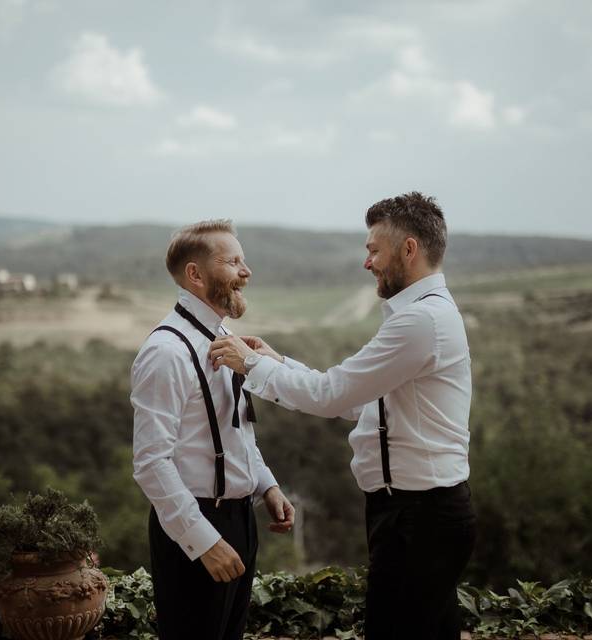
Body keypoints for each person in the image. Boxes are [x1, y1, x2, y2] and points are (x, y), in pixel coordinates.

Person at [208, 192, 476, 640]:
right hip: (416, 514)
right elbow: (361, 402)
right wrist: (280, 361)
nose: (367, 262)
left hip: (421, 518)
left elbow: (331, 395)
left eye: (374, 249)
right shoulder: (419, 317)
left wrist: (251, 364)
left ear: (408, 249)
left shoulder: (420, 322)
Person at [131, 219, 295, 640]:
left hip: (242, 519)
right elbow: (151, 463)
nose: (247, 271)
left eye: (244, 260)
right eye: (233, 261)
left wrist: (266, 486)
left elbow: (236, 430)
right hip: (195, 523)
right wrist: (202, 540)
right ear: (196, 274)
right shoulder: (166, 352)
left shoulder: (226, 338)